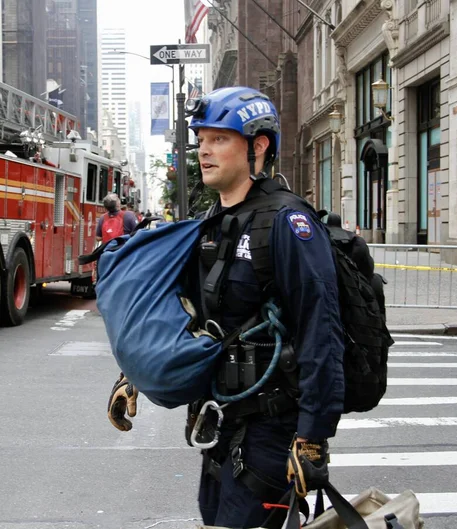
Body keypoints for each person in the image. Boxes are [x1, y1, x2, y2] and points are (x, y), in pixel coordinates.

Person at [107, 87, 345, 528]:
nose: (204, 151)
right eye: (201, 140)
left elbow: (321, 331)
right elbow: (186, 316)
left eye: (219, 139)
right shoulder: (211, 225)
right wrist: (133, 375)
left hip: (272, 430)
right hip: (220, 424)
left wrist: (312, 438)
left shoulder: (288, 224)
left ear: (258, 146)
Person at [325, 213, 386, 319]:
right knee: (375, 281)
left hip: (328, 286)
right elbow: (368, 268)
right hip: (354, 287)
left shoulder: (321, 238)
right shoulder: (356, 241)